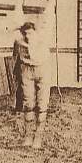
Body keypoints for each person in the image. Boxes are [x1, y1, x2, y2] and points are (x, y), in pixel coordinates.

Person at [14, 21, 52, 149]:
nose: (28, 36)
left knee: (42, 104)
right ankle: (28, 136)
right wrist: (19, 0)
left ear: (36, 32)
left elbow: (49, 16)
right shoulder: (20, 40)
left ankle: (38, 138)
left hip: (43, 69)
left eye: (30, 33)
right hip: (27, 70)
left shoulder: (43, 37)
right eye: (26, 34)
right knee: (28, 103)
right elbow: (15, 21)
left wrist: (51, 0)